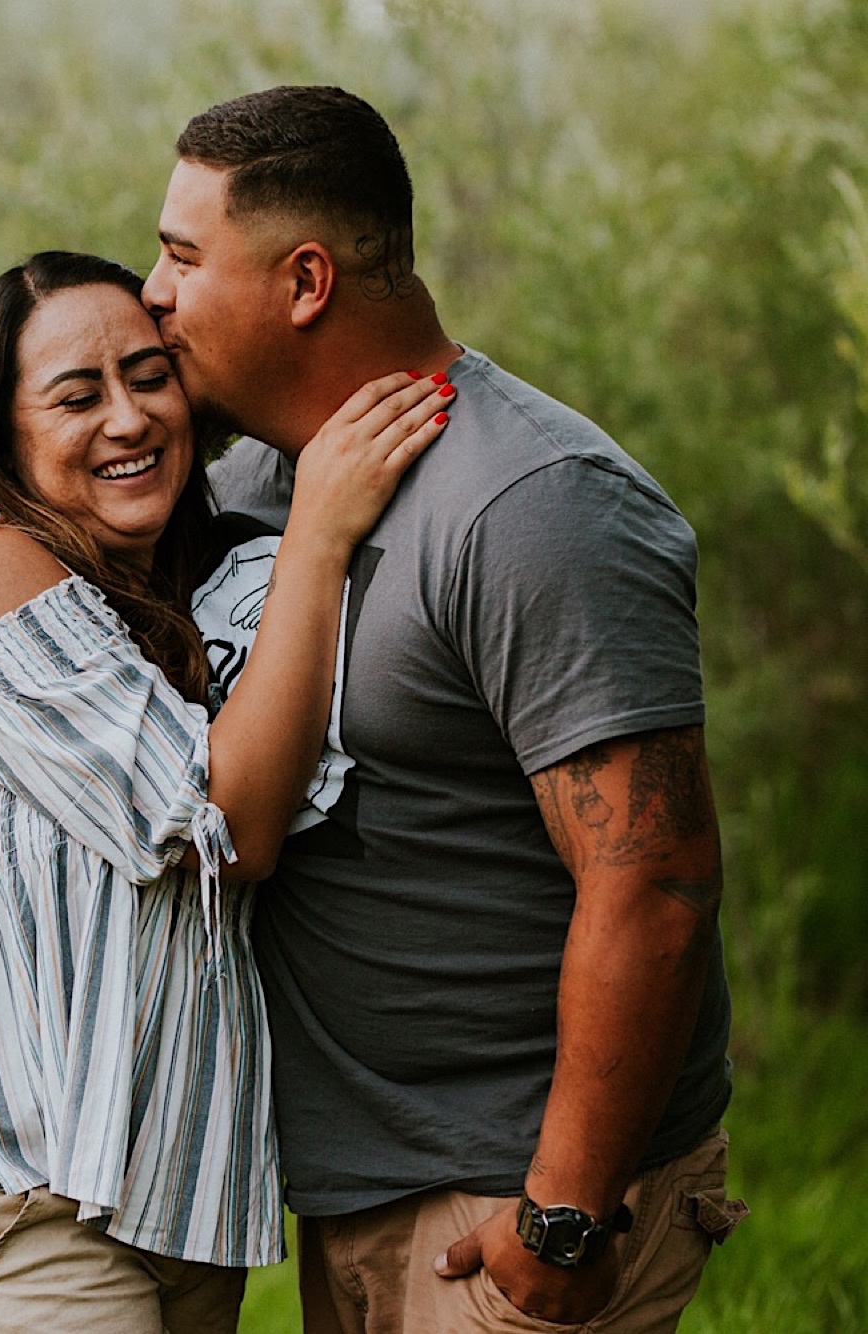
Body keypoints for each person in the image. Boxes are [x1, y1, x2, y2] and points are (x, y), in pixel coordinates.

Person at [145, 85, 744, 1332]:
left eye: (182, 256)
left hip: (511, 1195)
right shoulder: (255, 481)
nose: (153, 291)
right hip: (355, 1183)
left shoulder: (532, 503)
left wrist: (561, 1217)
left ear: (303, 279)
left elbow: (656, 878)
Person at [0, 249, 451, 1333]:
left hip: (167, 1191)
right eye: (75, 395)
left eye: (149, 376)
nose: (126, 416)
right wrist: (319, 532)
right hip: (8, 1191)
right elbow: (229, 824)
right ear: (3, 435)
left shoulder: (189, 591)